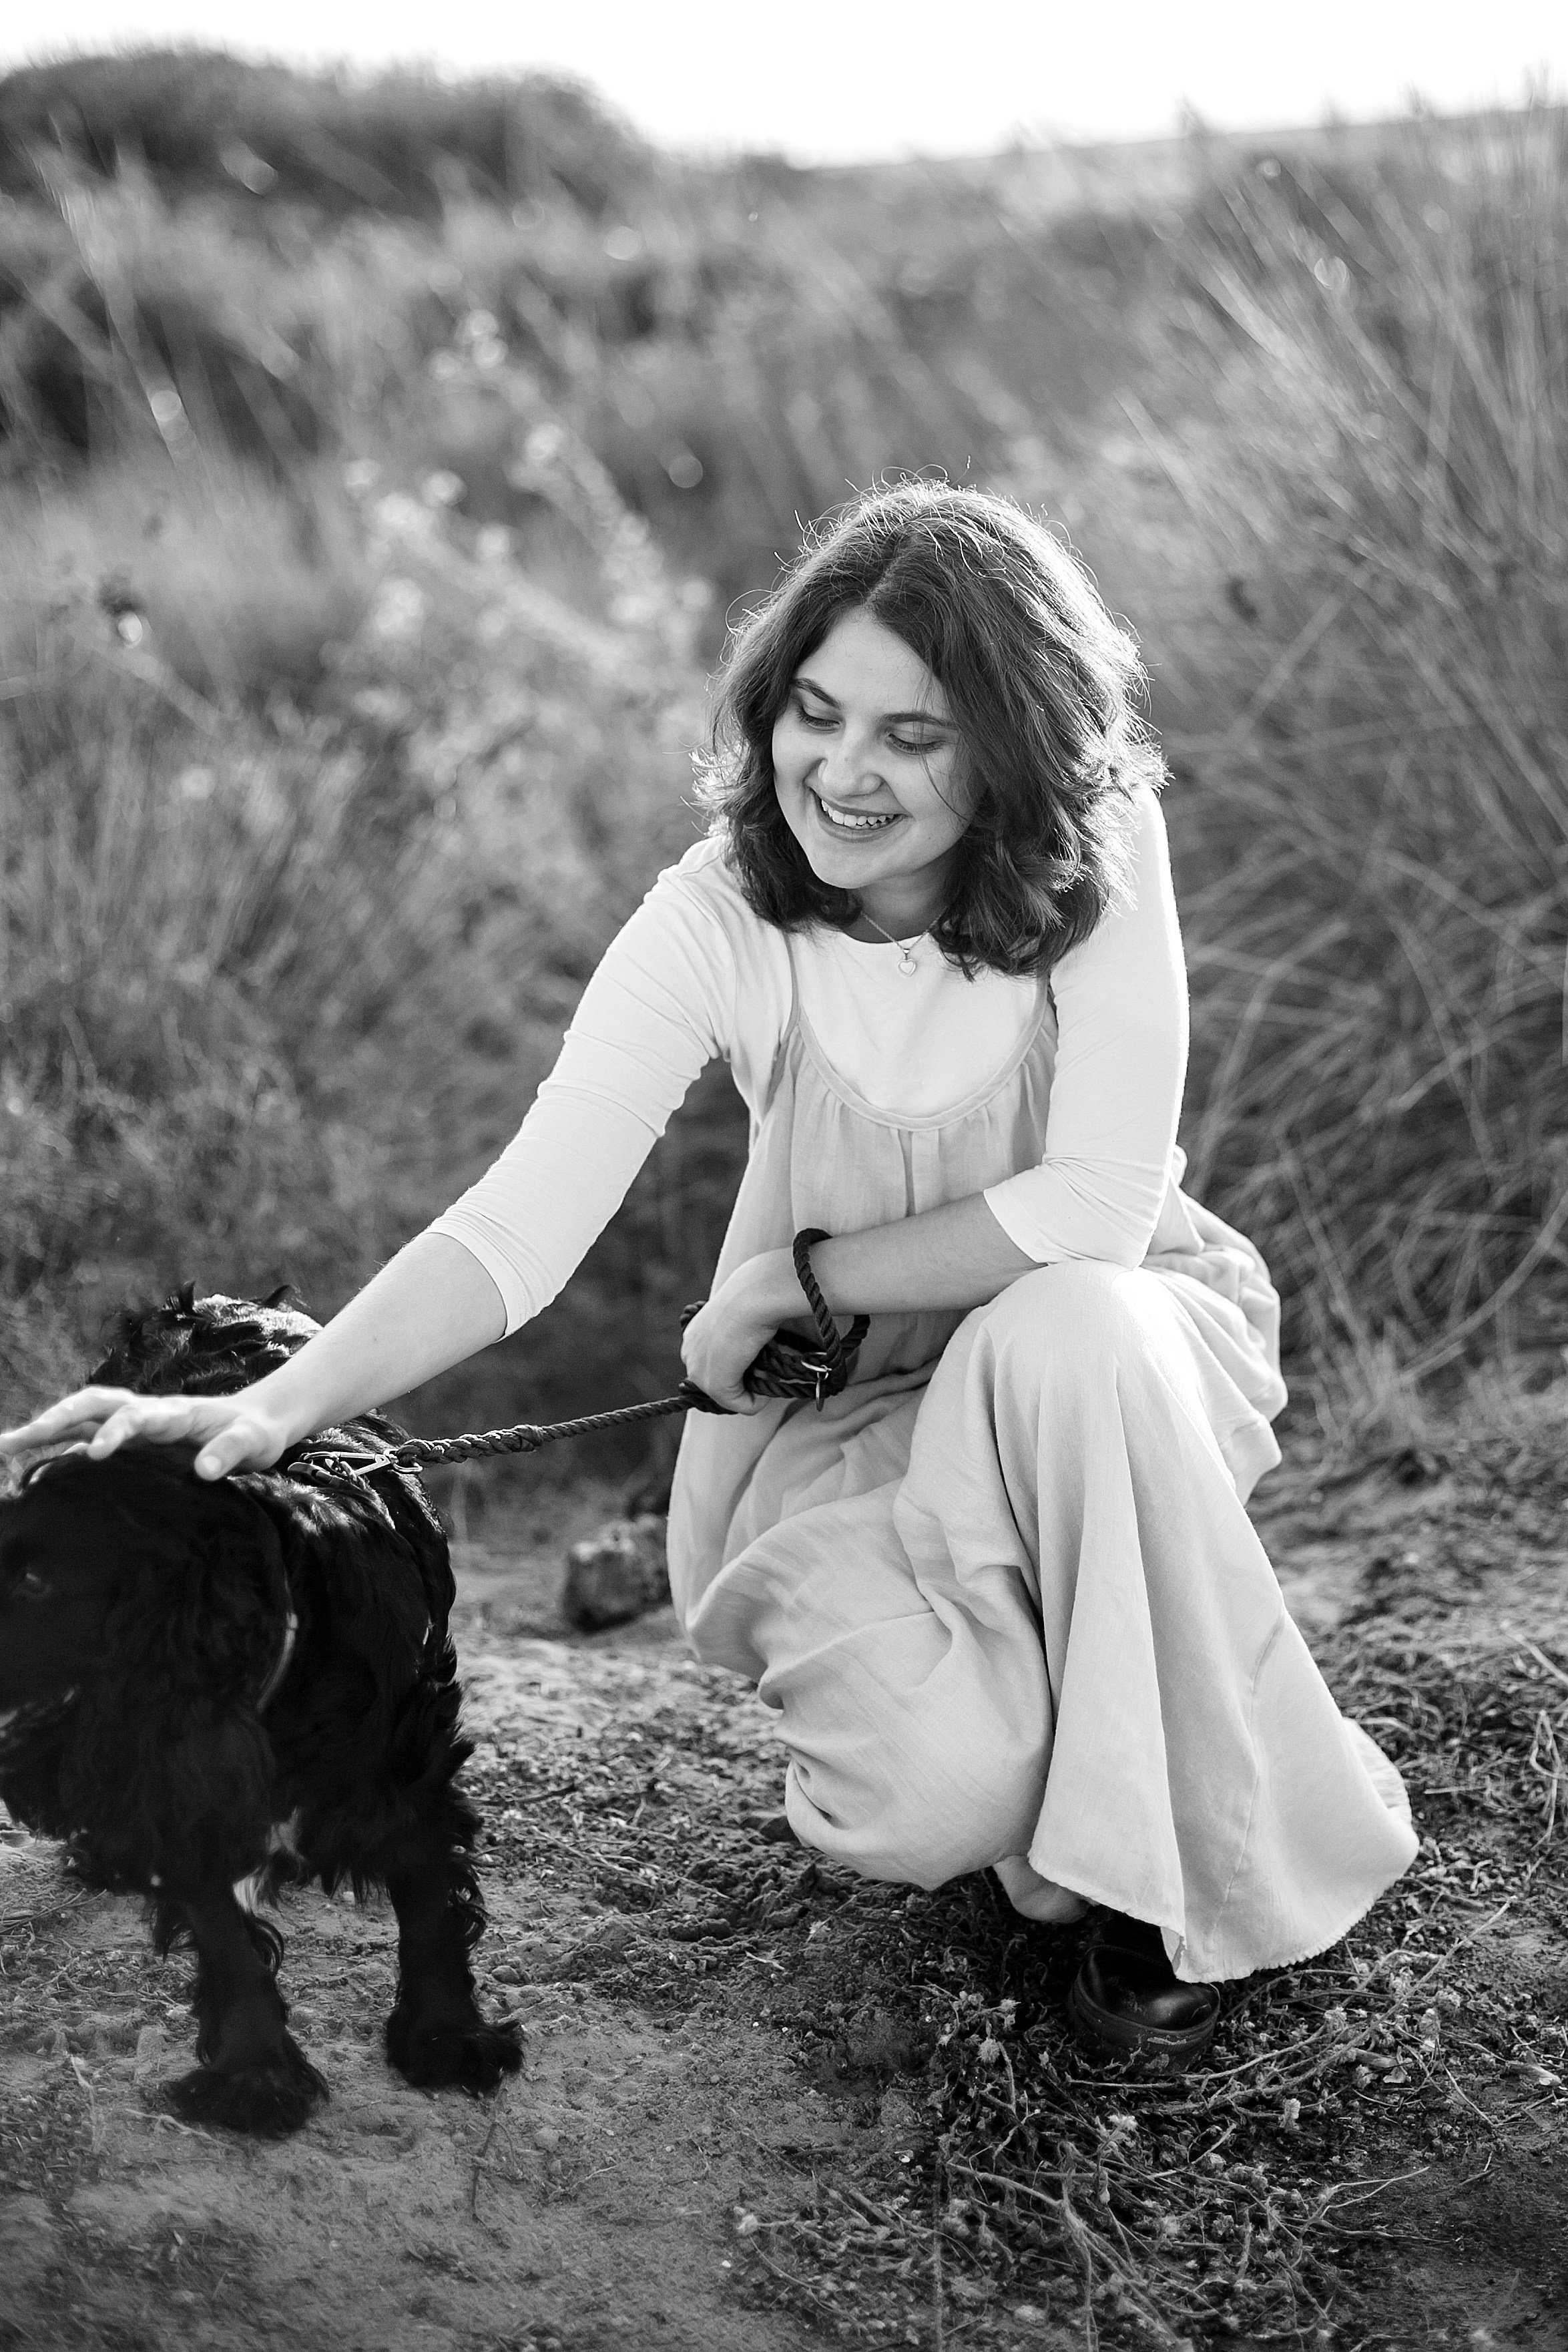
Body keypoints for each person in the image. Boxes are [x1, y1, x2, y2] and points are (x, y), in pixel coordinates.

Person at [1, 483, 1416, 2058]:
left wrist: (796, 1278)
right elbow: (519, 1225)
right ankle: (1064, 1765)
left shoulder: (1104, 854)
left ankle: (1184, 1883)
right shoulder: (715, 916)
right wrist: (276, 1404)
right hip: (837, 1417)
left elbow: (1091, 1204)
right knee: (931, 1801)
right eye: (814, 713)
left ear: (1011, 747)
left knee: (1065, 1328)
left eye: (913, 735)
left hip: (1099, 1365)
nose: (843, 771)